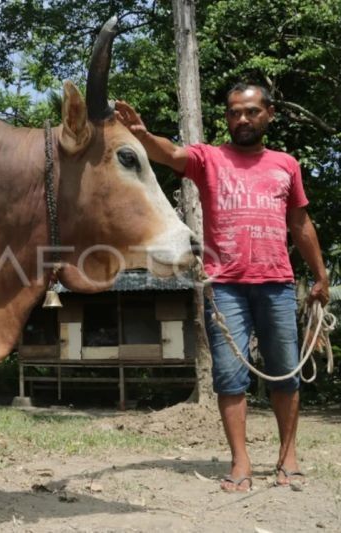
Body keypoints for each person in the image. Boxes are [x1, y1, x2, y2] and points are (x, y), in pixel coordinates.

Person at [115, 83, 329, 492]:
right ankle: (241, 462)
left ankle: (288, 458)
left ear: (269, 114)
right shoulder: (208, 158)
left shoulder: (286, 164)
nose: (242, 119)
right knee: (230, 378)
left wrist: (320, 275)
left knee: (286, 374)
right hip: (225, 286)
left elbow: (300, 224)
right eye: (234, 113)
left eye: (250, 111)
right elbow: (171, 154)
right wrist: (142, 135)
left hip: (277, 284)